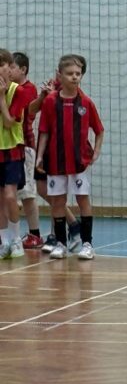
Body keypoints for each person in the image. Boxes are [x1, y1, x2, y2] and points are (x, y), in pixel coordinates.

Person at [36, 54, 104, 260]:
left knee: (82, 199)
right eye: (70, 73)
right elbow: (44, 131)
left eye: (78, 73)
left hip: (78, 162)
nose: (74, 77)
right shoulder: (50, 101)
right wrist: (39, 156)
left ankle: (87, 244)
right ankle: (61, 244)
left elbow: (99, 130)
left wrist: (96, 152)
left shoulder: (86, 102)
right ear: (60, 75)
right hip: (56, 162)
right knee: (58, 201)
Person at [29, 60, 83, 254]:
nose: (70, 76)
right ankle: (73, 223)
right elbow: (31, 111)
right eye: (64, 72)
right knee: (43, 189)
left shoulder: (74, 94)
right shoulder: (51, 90)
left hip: (62, 150)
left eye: (75, 73)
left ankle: (56, 235)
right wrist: (44, 96)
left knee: (56, 193)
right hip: (45, 146)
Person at [0, 48, 32, 259]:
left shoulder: (18, 91)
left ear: (10, 68)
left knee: (11, 196)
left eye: (2, 65)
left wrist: (1, 98)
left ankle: (16, 238)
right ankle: (4, 242)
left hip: (12, 149)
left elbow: (9, 123)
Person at [8, 53, 42, 248]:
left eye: (12, 67)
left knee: (28, 192)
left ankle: (35, 234)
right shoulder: (10, 88)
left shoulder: (27, 89)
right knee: (14, 192)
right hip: (10, 146)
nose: (9, 70)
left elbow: (21, 115)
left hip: (25, 145)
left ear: (23, 70)